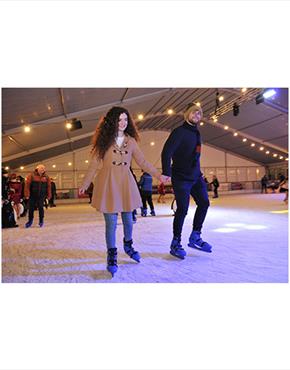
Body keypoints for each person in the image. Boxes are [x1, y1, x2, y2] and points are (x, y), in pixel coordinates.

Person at [79, 106, 162, 277]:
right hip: (107, 183)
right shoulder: (104, 141)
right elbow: (94, 165)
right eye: (119, 120)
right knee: (111, 223)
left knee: (129, 221)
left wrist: (159, 176)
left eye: (126, 119)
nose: (123, 123)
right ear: (112, 122)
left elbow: (143, 162)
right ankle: (112, 255)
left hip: (125, 183)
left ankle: (128, 245)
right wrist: (85, 184)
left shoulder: (130, 141)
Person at [161, 102, 212, 259]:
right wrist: (166, 172)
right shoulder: (179, 132)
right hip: (181, 177)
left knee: (204, 203)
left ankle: (195, 235)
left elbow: (194, 155)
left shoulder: (197, 134)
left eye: (199, 113)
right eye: (193, 113)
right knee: (182, 210)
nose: (196, 115)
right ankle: (176, 242)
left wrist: (199, 172)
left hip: (195, 176)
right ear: (187, 114)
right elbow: (166, 152)